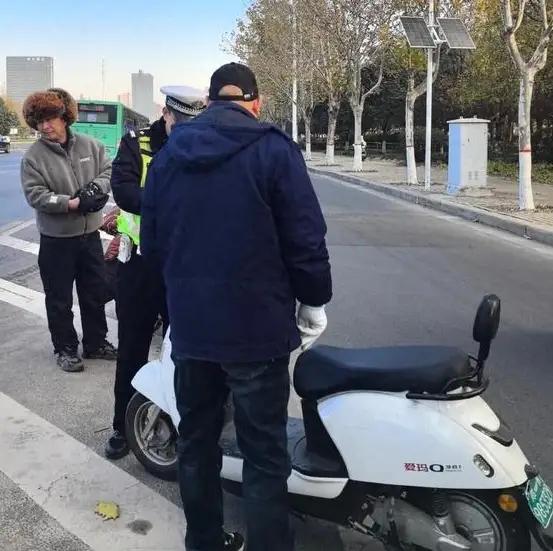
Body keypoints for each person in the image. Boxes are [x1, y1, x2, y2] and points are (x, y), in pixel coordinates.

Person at [141, 63, 332, 551]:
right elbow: (306, 239)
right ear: (256, 102)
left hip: (193, 333)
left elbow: (153, 245)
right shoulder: (274, 150)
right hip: (257, 334)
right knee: (264, 454)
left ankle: (204, 541)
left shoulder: (169, 155)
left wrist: (180, 303)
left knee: (195, 443)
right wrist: (314, 301)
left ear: (208, 101)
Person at [105, 87, 204, 460]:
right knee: (132, 348)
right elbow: (124, 192)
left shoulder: (203, 145)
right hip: (141, 267)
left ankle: (181, 426)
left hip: (185, 267)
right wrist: (172, 201)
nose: (186, 133)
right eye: (180, 124)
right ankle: (122, 427)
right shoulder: (137, 143)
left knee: (186, 353)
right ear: (166, 114)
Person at [20, 88, 117, 372]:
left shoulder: (91, 146)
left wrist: (95, 189)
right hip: (56, 240)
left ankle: (96, 343)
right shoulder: (33, 157)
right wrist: (70, 203)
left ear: (64, 117)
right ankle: (64, 348)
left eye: (50, 119)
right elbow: (35, 195)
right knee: (59, 299)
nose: (45, 126)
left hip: (90, 237)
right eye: (39, 121)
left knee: (94, 293)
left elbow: (108, 171)